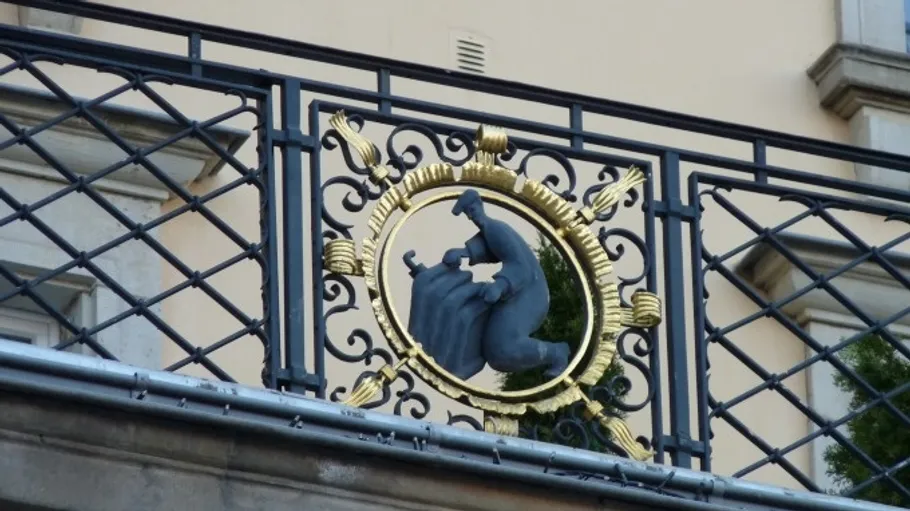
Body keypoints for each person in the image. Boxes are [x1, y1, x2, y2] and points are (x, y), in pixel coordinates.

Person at [441, 189, 570, 378]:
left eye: (472, 210)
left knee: (503, 348)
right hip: (518, 292)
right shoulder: (490, 230)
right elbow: (492, 249)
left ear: (480, 205)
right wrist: (463, 252)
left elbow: (521, 266)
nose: (471, 216)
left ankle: (556, 353)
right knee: (497, 353)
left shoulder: (495, 228)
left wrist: (500, 285)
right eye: (468, 213)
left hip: (528, 295)